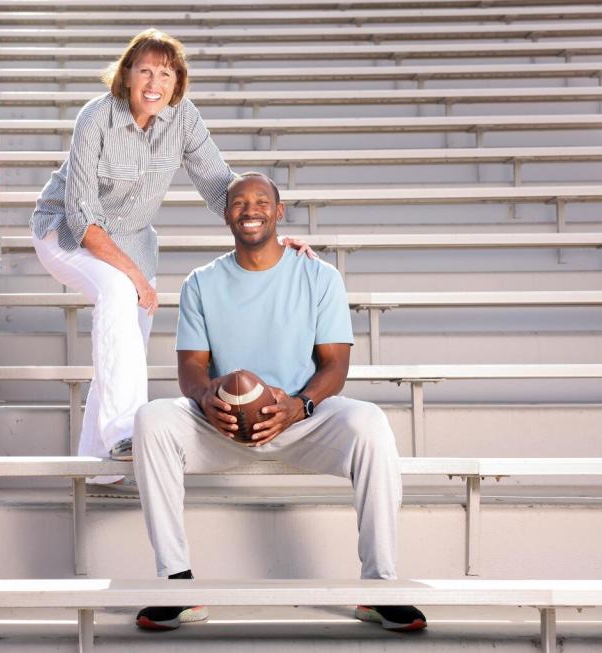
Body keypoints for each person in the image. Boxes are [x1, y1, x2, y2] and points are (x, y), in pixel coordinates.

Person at [131, 172, 427, 632]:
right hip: (223, 425)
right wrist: (205, 395)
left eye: (261, 201)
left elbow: (335, 366)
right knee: (152, 418)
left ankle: (379, 586)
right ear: (226, 214)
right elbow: (191, 365)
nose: (250, 210)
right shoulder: (201, 282)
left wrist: (300, 406)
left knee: (370, 422)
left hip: (301, 420)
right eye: (239, 203)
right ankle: (176, 583)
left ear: (279, 211)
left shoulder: (319, 276)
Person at [30, 30, 311, 483]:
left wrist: (274, 233)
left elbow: (222, 185)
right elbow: (82, 220)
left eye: (165, 73)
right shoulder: (95, 118)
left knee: (125, 346)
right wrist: (136, 279)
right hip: (65, 233)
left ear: (177, 82)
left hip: (134, 244)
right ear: (126, 75)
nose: (154, 82)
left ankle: (97, 468)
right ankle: (126, 431)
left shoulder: (183, 119)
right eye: (145, 70)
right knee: (120, 294)